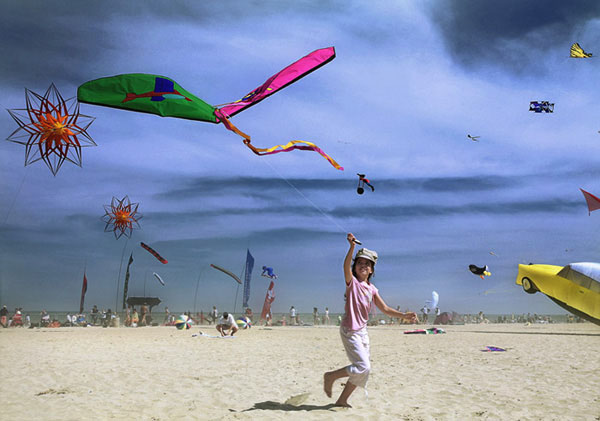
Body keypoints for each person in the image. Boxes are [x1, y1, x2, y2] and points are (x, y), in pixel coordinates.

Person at [323, 233, 418, 407]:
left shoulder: (372, 289)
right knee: (362, 366)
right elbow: (345, 266)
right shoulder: (352, 283)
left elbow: (385, 309)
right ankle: (330, 376)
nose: (363, 266)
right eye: (359, 263)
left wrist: (404, 316)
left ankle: (342, 400)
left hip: (362, 332)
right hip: (350, 330)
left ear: (372, 270)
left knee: (364, 372)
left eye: (367, 264)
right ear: (355, 268)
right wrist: (352, 247)